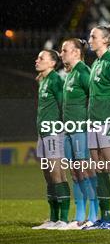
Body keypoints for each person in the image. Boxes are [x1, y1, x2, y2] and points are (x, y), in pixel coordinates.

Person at [84, 25, 110, 230]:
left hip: (109, 122)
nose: (90, 39)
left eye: (93, 36)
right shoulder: (97, 63)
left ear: (105, 40)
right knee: (98, 168)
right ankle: (104, 216)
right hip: (93, 122)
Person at [60, 38, 98, 229]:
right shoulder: (70, 74)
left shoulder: (83, 72)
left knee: (86, 171)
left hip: (81, 130)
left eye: (65, 50)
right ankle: (80, 214)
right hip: (68, 131)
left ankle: (94, 213)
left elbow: (93, 98)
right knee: (75, 173)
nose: (61, 53)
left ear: (76, 52)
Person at [32, 49, 70, 230]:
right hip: (43, 134)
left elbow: (64, 105)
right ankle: (53, 218)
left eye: (41, 58)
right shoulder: (43, 80)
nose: (37, 60)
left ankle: (63, 219)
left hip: (54, 133)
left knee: (57, 174)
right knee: (48, 176)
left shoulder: (55, 80)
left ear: (52, 63)